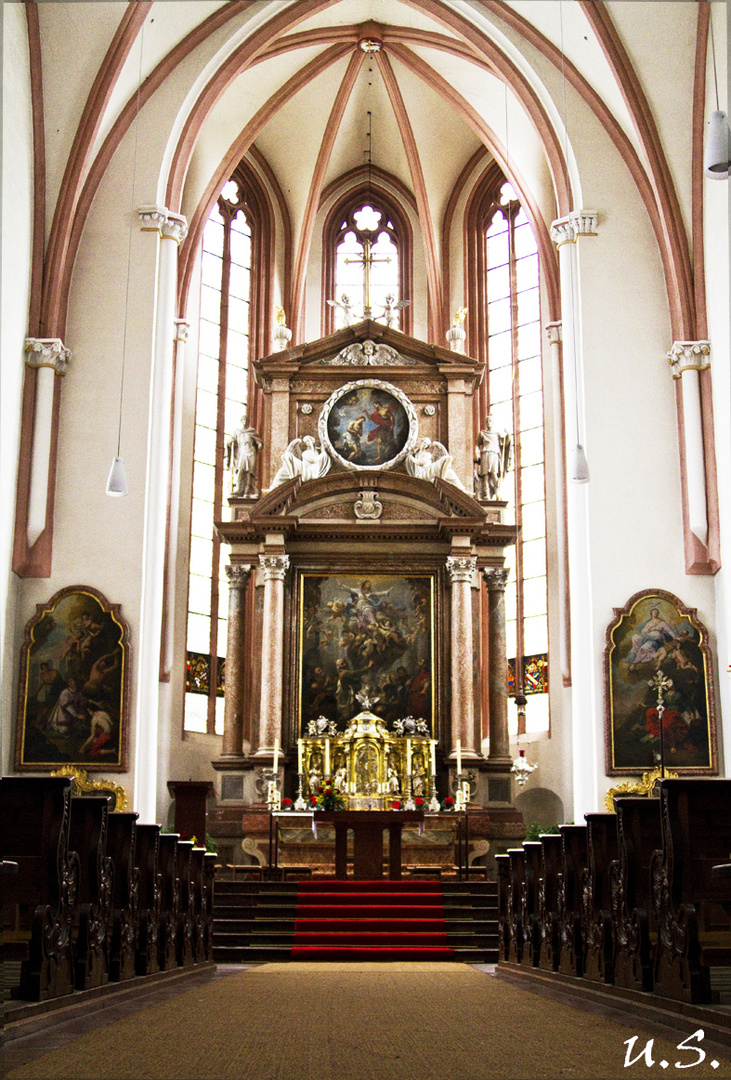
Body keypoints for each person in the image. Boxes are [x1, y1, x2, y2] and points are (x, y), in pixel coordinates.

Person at [225, 412, 263, 497]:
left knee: (250, 473)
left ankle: (246, 491)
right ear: (241, 421)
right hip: (242, 452)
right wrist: (229, 442)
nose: (245, 421)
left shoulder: (251, 432)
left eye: (246, 419)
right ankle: (238, 488)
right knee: (240, 470)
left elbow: (258, 441)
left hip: (251, 452)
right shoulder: (237, 432)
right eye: (243, 419)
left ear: (248, 421)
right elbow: (231, 441)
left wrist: (259, 445)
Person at [476, 413, 512, 500]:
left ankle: (497, 492)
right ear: (485, 423)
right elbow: (477, 444)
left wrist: (508, 435)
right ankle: (486, 494)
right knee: (485, 476)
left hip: (494, 455)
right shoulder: (482, 433)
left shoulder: (497, 434)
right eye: (487, 421)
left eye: (490, 421)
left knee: (494, 474)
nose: (489, 422)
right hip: (485, 454)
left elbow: (506, 442)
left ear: (493, 422)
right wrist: (476, 453)